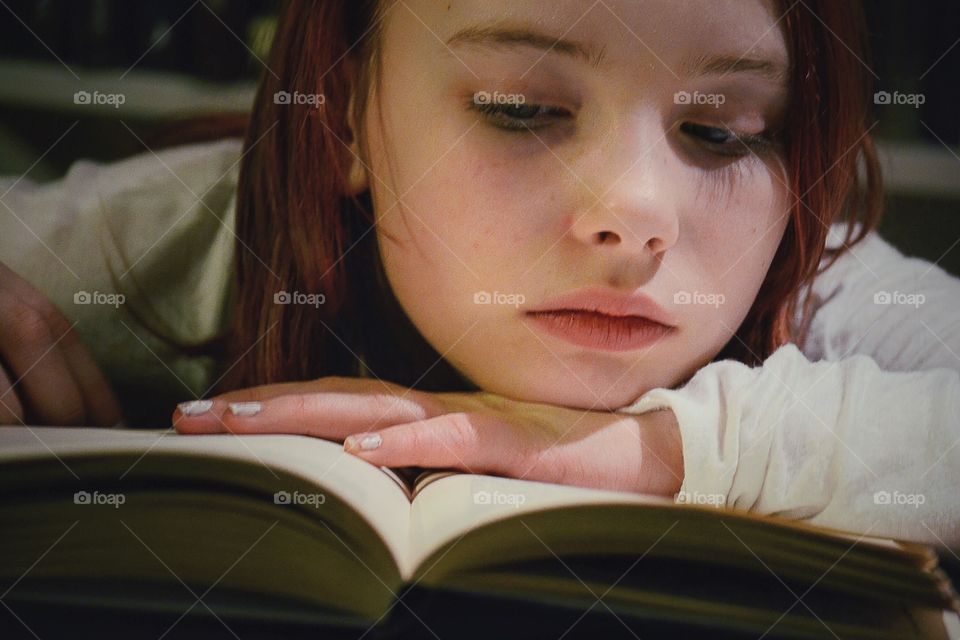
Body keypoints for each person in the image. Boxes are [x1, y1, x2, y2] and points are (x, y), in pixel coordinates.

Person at [2, 0, 958, 549]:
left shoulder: (818, 285)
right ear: (343, 119)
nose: (632, 216)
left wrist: (661, 449)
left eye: (722, 132)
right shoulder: (178, 236)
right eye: (521, 108)